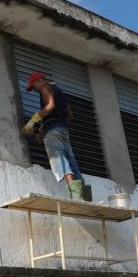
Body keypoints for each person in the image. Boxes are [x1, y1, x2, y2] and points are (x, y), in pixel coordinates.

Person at [22, 72, 92, 201]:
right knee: (72, 163)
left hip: (53, 131)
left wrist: (33, 121)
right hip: (63, 130)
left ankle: (76, 197)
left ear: (39, 81)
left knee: (61, 162)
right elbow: (70, 116)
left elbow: (50, 106)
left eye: (34, 87)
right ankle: (85, 197)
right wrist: (46, 125)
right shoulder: (60, 92)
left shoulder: (44, 87)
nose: (35, 90)